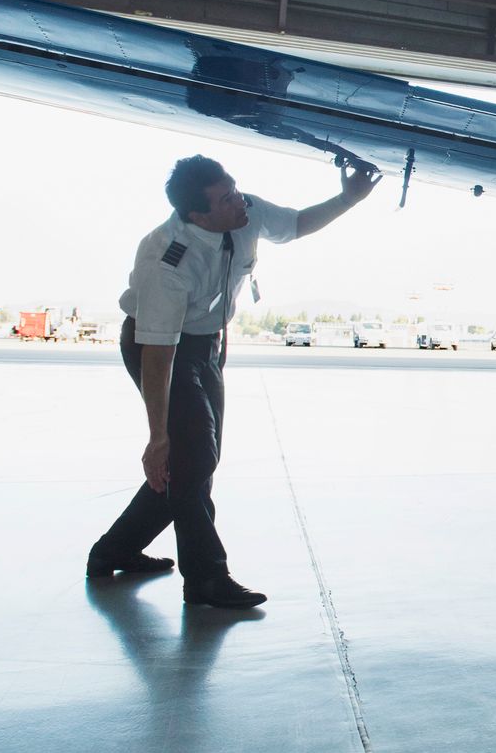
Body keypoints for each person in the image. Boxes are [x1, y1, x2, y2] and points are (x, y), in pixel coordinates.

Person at [86, 153, 380, 608]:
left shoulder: (245, 211)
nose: (238, 199)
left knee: (198, 460)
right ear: (198, 215)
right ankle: (205, 579)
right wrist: (156, 437)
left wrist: (348, 199)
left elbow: (297, 224)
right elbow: (159, 353)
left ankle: (115, 550)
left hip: (207, 346)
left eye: (234, 188)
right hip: (161, 347)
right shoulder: (166, 258)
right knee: (191, 458)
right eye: (225, 198)